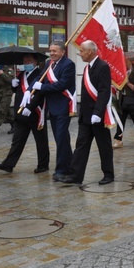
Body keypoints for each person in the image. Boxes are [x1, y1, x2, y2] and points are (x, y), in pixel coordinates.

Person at [58, 41, 115, 185]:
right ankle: (75, 176)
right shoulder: (87, 68)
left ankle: (108, 174)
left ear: (90, 51)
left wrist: (98, 112)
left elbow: (104, 91)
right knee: (81, 146)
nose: (80, 53)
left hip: (97, 116)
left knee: (104, 146)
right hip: (86, 116)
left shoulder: (102, 67)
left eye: (82, 51)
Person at [0, 54, 50, 174]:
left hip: (35, 113)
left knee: (41, 141)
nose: (26, 62)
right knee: (17, 141)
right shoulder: (22, 74)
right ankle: (8, 164)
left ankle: (43, 165)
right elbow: (19, 91)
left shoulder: (40, 74)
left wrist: (30, 107)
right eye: (24, 61)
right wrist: (13, 85)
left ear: (35, 61)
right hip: (21, 114)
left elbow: (39, 94)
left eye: (29, 60)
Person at [32, 41, 76, 182]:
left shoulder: (68, 64)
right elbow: (41, 78)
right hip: (52, 106)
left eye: (55, 51)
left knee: (62, 137)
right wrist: (33, 86)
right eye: (50, 50)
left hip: (63, 106)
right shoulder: (49, 63)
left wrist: (42, 88)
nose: (51, 53)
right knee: (60, 138)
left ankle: (61, 170)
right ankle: (69, 165)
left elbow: (62, 84)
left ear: (62, 52)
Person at [113, 58, 134, 149]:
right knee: (120, 121)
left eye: (125, 63)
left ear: (129, 63)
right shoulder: (121, 74)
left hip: (133, 102)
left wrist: (128, 83)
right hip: (123, 101)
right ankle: (118, 140)